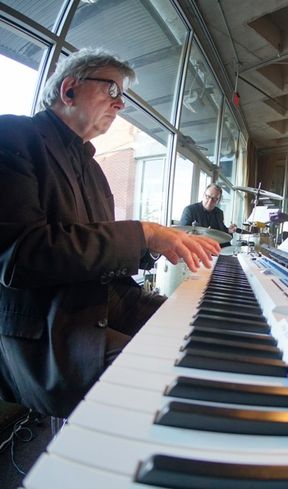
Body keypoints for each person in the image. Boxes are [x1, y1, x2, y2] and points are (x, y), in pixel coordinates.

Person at [0, 48, 220, 418]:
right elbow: (21, 256)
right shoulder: (13, 136)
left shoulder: (95, 170)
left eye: (123, 97)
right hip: (47, 326)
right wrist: (143, 235)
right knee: (163, 381)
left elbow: (98, 250)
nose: (120, 106)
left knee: (200, 334)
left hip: (105, 301)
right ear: (69, 90)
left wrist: (156, 245)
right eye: (112, 91)